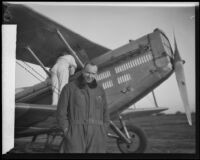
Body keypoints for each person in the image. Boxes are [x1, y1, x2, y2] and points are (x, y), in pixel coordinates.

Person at [57, 63, 110, 153]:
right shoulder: (69, 88)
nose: (90, 76)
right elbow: (61, 112)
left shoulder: (100, 89)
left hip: (97, 134)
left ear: (96, 74)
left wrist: (103, 130)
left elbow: (105, 112)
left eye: (93, 73)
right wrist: (67, 131)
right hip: (75, 133)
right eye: (88, 73)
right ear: (82, 71)